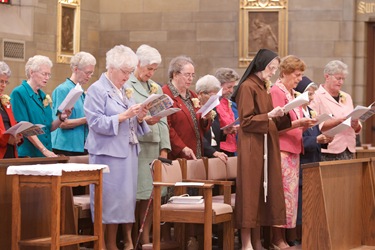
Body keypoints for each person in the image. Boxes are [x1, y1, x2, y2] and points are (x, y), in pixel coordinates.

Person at [84, 45, 150, 250]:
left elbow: (130, 120)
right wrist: (124, 115)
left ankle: (116, 243)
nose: (127, 76)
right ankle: (103, 245)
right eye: (125, 72)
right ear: (111, 68)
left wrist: (139, 117)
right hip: (107, 155)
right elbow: (95, 123)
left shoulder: (123, 90)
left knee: (123, 203)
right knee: (108, 203)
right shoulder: (97, 89)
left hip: (127, 152)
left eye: (130, 72)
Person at [231, 49, 291, 250]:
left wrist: (283, 114)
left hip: (267, 143)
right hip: (252, 146)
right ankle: (247, 243)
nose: (273, 72)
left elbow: (269, 116)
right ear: (261, 64)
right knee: (250, 192)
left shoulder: (263, 86)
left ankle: (257, 241)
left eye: (275, 68)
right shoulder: (247, 87)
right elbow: (246, 121)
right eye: (271, 68)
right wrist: (269, 116)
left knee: (262, 193)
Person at [126, 44, 171, 246]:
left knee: (150, 195)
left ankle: (145, 237)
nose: (151, 73)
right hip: (137, 145)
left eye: (154, 69)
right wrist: (144, 120)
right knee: (133, 194)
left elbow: (162, 121)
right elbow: (129, 114)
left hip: (153, 147)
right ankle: (128, 236)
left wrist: (164, 149)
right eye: (148, 68)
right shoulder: (127, 84)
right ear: (138, 63)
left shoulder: (155, 87)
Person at [269, 55, 316, 249]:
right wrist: (299, 123)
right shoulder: (277, 91)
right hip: (281, 150)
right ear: (285, 73)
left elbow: (292, 123)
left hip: (293, 149)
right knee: (282, 196)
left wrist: (304, 126)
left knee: (290, 197)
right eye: (297, 75)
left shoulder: (290, 94)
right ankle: (276, 238)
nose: (299, 79)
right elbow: (275, 125)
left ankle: (287, 236)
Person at [288, 76, 334, 245]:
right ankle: (296, 234)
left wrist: (324, 139)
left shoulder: (308, 111)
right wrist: (315, 140)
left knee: (309, 200)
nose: (313, 98)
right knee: (300, 201)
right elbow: (294, 138)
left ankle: (307, 231)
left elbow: (314, 136)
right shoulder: (296, 113)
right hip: (301, 161)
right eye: (310, 94)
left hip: (313, 159)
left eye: (313, 94)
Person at [10, 55, 71, 158]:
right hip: (28, 155)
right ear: (31, 72)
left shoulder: (42, 95)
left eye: (49, 75)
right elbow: (24, 127)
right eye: (44, 74)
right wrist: (44, 150)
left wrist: (61, 118)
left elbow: (48, 127)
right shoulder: (19, 93)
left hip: (45, 154)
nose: (47, 78)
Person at [310, 60, 361, 161]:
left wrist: (356, 125)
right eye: (338, 78)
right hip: (329, 149)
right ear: (327, 76)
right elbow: (313, 124)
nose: (341, 82)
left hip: (349, 148)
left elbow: (355, 123)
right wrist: (338, 121)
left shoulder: (347, 97)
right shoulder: (316, 96)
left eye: (343, 79)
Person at [162, 55, 211, 160]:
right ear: (175, 75)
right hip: (177, 154)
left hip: (196, 151)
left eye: (192, 75)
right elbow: (166, 126)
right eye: (187, 75)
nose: (191, 79)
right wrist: (182, 147)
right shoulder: (165, 94)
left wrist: (205, 119)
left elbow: (200, 125)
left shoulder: (192, 96)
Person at [51, 51, 96, 156]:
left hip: (81, 145)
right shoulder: (63, 90)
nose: (89, 76)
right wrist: (87, 119)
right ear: (76, 69)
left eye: (91, 74)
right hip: (65, 146)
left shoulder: (80, 91)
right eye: (87, 72)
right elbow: (61, 123)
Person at [195, 74, 228, 162]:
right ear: (201, 94)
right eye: (212, 96)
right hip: (202, 154)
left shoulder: (212, 108)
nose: (215, 100)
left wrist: (224, 132)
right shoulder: (194, 108)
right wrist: (213, 152)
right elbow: (197, 135)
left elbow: (212, 133)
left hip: (215, 153)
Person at [214, 68, 240, 156]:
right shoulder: (213, 103)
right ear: (219, 85)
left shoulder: (226, 102)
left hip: (231, 146)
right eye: (229, 87)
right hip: (219, 148)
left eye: (233, 87)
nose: (232, 91)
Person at [0, 61, 22, 158]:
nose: (4, 85)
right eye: (1, 81)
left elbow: (11, 124)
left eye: (6, 82)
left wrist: (18, 135)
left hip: (10, 152)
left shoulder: (6, 101)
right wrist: (6, 138)